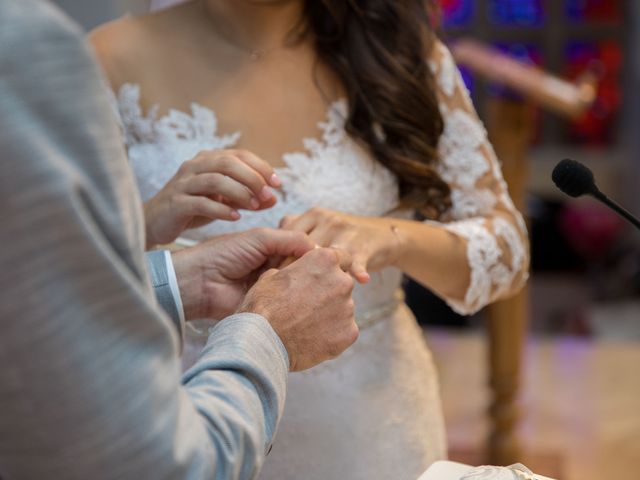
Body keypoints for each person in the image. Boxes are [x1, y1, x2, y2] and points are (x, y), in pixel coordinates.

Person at [91, 1, 530, 478]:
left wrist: (390, 237)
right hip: (197, 420)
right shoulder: (104, 58)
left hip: (374, 424)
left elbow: (507, 251)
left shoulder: (395, 49)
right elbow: (49, 289)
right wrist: (146, 221)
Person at [0, 1, 359, 479]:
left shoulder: (379, 51)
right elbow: (160, 466)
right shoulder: (26, 48)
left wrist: (177, 279)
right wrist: (267, 334)